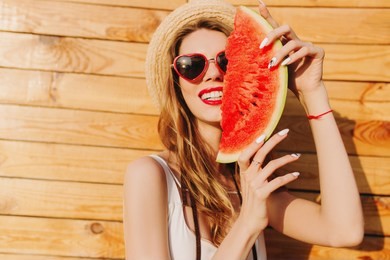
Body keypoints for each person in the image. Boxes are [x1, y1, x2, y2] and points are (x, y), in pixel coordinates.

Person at [123, 0, 364, 259]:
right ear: (177, 84)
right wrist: (248, 222)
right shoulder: (150, 175)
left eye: (227, 61)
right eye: (192, 65)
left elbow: (344, 230)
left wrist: (313, 92)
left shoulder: (250, 184)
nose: (213, 73)